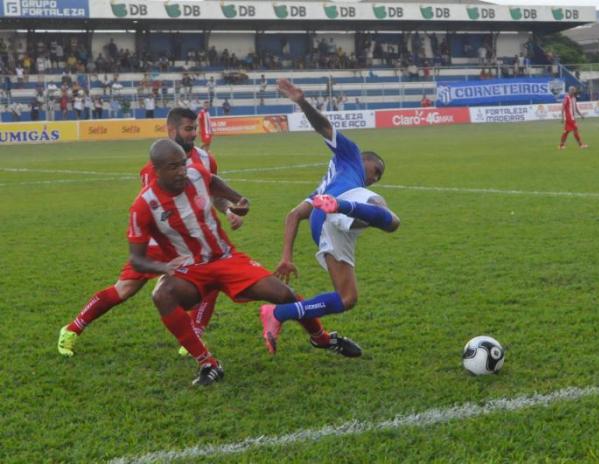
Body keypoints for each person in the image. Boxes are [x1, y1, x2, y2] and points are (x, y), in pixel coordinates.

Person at [130, 139, 348, 385]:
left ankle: (321, 337)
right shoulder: (143, 206)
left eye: (182, 164)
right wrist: (163, 268)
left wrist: (237, 199)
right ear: (156, 170)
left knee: (284, 294)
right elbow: (136, 259)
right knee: (162, 295)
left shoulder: (195, 174)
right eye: (173, 167)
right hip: (189, 270)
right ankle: (207, 363)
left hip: (225, 258)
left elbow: (211, 181)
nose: (182, 171)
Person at [57, 108, 227, 357]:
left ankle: (194, 334)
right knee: (124, 289)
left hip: (190, 242)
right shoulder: (154, 168)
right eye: (188, 129)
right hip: (158, 241)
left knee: (212, 278)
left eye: (194, 129)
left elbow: (210, 193)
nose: (193, 134)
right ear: (171, 131)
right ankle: (72, 329)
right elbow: (151, 207)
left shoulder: (206, 159)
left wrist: (229, 210)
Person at [261, 79, 400, 355]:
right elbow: (323, 127)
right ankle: (342, 208)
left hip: (324, 222)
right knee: (389, 217)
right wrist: (301, 101)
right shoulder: (351, 155)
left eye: (378, 176)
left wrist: (286, 257)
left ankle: (277, 313)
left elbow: (294, 215)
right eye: (376, 170)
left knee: (347, 299)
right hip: (336, 208)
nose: (375, 177)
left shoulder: (324, 186)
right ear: (365, 160)